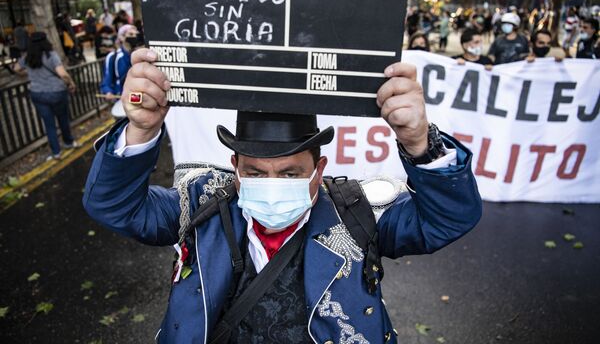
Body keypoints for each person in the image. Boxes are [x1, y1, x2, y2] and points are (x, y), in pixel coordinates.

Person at [83, 48, 482, 342]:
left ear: (319, 170)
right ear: (235, 167)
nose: (272, 183)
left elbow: (448, 219)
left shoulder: (356, 213)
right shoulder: (200, 205)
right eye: (255, 172)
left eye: (290, 172)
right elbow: (113, 205)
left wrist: (418, 142)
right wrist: (140, 130)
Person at [13, 32, 79, 160]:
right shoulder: (51, 55)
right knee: (63, 119)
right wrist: (71, 83)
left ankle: (56, 152)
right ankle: (68, 142)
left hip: (37, 94)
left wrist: (29, 74)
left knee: (49, 124)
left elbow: (16, 68)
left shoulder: (27, 57)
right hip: (57, 92)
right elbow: (63, 74)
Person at [100, 24, 141, 100]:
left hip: (138, 98)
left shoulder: (141, 55)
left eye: (136, 34)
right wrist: (108, 92)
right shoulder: (113, 57)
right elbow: (107, 80)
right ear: (121, 37)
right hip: (122, 98)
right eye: (131, 34)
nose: (134, 36)